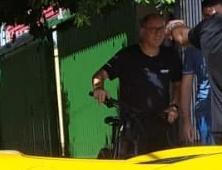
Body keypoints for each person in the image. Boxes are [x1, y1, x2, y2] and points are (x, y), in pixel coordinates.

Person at [92, 13, 183, 154]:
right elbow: (99, 75)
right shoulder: (127, 56)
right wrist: (99, 88)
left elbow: (179, 84)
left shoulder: (170, 56)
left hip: (162, 124)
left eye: (161, 29)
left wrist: (175, 106)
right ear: (143, 31)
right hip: (132, 127)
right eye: (154, 29)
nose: (158, 33)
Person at [167, 0, 222, 144]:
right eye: (205, 17)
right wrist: (186, 121)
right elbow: (186, 84)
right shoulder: (197, 42)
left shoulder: (208, 30)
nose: (208, 21)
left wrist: (174, 26)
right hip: (208, 111)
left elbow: (180, 36)